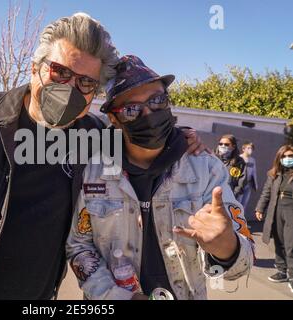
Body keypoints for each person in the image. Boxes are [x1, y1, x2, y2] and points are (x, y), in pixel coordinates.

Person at [0, 14, 205, 300]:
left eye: (86, 83)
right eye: (60, 72)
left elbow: (144, 142)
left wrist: (180, 140)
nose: (69, 89)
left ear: (94, 94)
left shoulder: (97, 137)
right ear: (34, 68)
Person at [66, 55, 254, 300]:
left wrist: (227, 248)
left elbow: (243, 260)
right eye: (132, 109)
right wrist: (118, 297)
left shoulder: (206, 169)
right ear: (113, 118)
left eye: (157, 100)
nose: (149, 113)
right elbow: (79, 246)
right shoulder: (95, 171)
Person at [255, 144, 293, 292]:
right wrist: (260, 208)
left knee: (291, 245)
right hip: (276, 211)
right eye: (285, 156)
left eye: (291, 156)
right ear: (279, 158)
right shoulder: (274, 174)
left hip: (291, 212)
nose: (288, 159)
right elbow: (266, 192)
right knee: (279, 241)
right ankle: (282, 271)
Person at [237, 142, 258, 210]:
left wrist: (255, 184)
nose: (250, 150)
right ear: (243, 149)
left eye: (251, 148)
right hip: (240, 184)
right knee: (238, 203)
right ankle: (234, 219)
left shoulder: (252, 160)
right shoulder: (239, 158)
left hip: (248, 184)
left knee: (244, 203)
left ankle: (241, 219)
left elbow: (254, 172)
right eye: (248, 148)